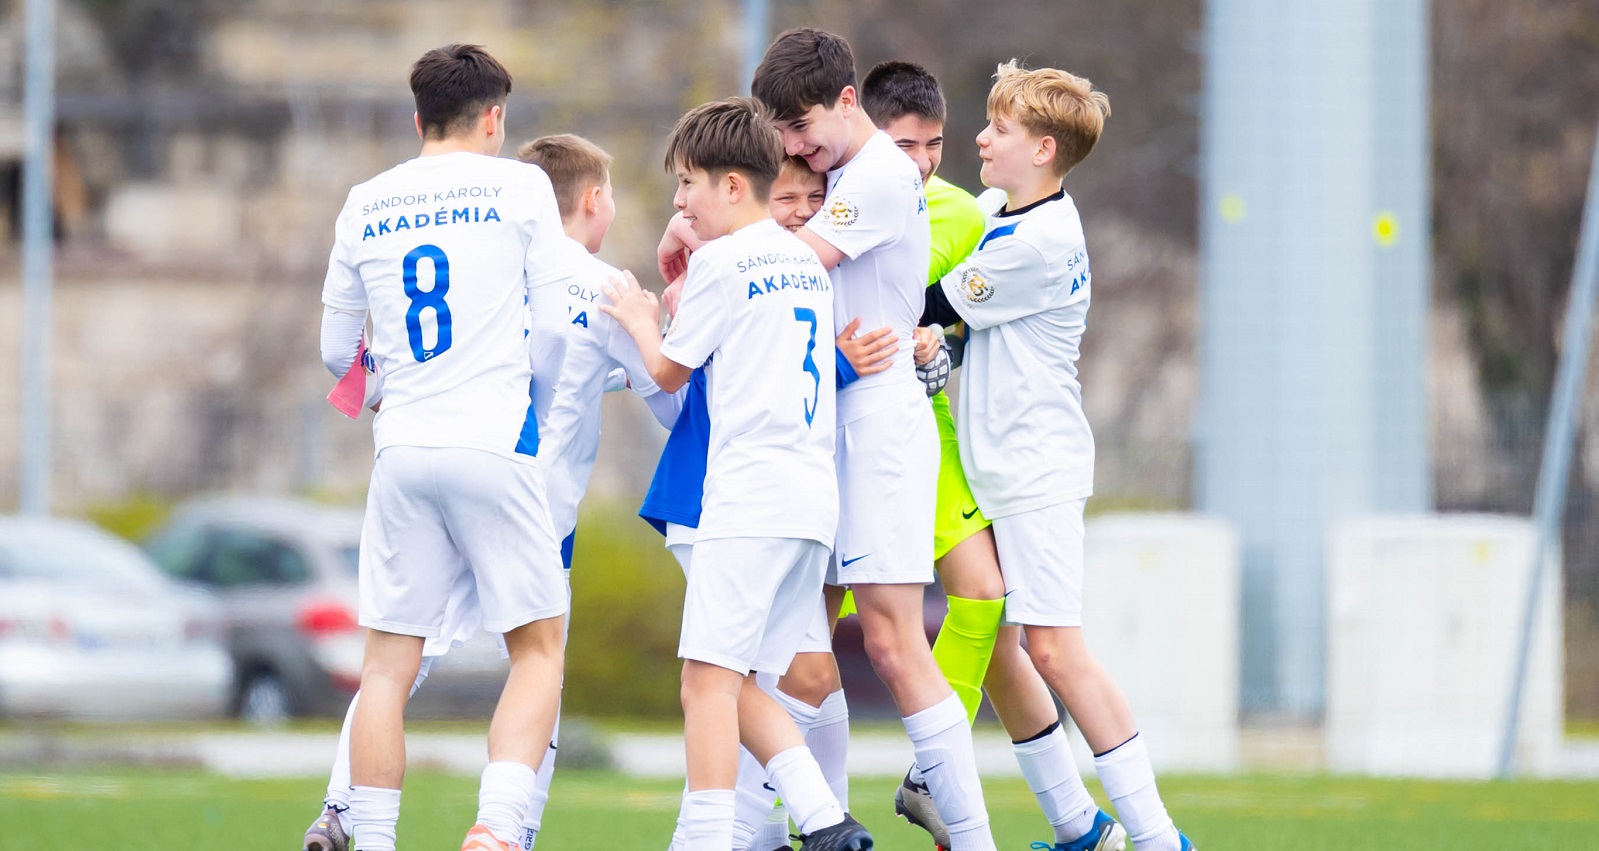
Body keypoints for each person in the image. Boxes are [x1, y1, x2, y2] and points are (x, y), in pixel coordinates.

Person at [919, 61, 1196, 851]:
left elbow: (929, 305)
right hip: (998, 467)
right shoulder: (1002, 209)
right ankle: (1078, 827)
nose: (979, 138)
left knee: (1055, 649)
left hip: (1034, 471)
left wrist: (927, 333)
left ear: (1042, 149)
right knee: (1004, 647)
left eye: (998, 129)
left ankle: (1158, 838)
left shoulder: (1035, 242)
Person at [317, 43, 572, 851]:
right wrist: (529, 399)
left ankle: (376, 838)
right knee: (535, 649)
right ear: (494, 117)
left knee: (387, 667)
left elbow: (334, 350)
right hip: (493, 437)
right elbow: (558, 327)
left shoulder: (366, 200)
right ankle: (495, 827)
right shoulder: (522, 184)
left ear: (415, 116)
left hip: (404, 450)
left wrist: (385, 377)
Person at [751, 27, 997, 851]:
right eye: (781, 133)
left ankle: (970, 837)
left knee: (892, 638)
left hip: (880, 426)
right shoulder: (835, 174)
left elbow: (793, 263)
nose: (793, 148)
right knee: (797, 639)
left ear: (847, 102)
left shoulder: (882, 177)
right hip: (827, 419)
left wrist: (704, 240)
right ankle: (803, 828)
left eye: (801, 127)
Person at [602, 96, 869, 851]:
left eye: (688, 184)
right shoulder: (801, 259)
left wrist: (636, 314)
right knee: (748, 680)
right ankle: (824, 820)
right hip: (809, 502)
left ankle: (708, 837)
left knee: (705, 683)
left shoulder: (722, 262)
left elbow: (667, 371)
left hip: (746, 498)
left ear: (730, 185)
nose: (680, 203)